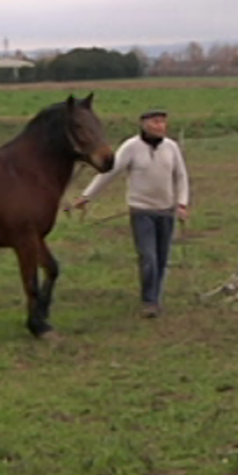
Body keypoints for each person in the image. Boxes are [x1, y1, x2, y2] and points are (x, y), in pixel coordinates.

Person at [72, 107, 191, 318]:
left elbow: (181, 176)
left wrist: (181, 204)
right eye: (155, 122)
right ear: (143, 124)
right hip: (141, 212)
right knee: (148, 257)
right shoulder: (131, 147)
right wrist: (86, 196)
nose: (161, 126)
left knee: (162, 259)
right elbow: (109, 173)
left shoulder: (171, 147)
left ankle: (155, 295)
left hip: (166, 211)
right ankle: (150, 302)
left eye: (163, 122)